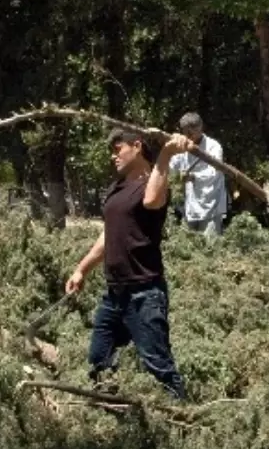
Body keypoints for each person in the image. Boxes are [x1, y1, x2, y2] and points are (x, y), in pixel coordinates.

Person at [65, 127, 191, 400]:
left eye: (117, 149)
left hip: (144, 294)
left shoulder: (154, 184)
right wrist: (81, 269)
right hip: (114, 295)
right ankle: (111, 410)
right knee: (99, 358)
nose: (113, 156)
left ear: (137, 146)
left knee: (158, 366)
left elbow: (152, 199)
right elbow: (107, 235)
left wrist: (167, 153)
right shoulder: (117, 188)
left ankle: (185, 418)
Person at [168, 112, 227, 236]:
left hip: (211, 204)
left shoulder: (213, 147)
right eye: (185, 133)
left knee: (209, 247)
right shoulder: (182, 147)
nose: (189, 136)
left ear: (200, 127)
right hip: (190, 205)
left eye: (191, 132)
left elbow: (214, 172)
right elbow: (172, 167)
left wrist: (193, 176)